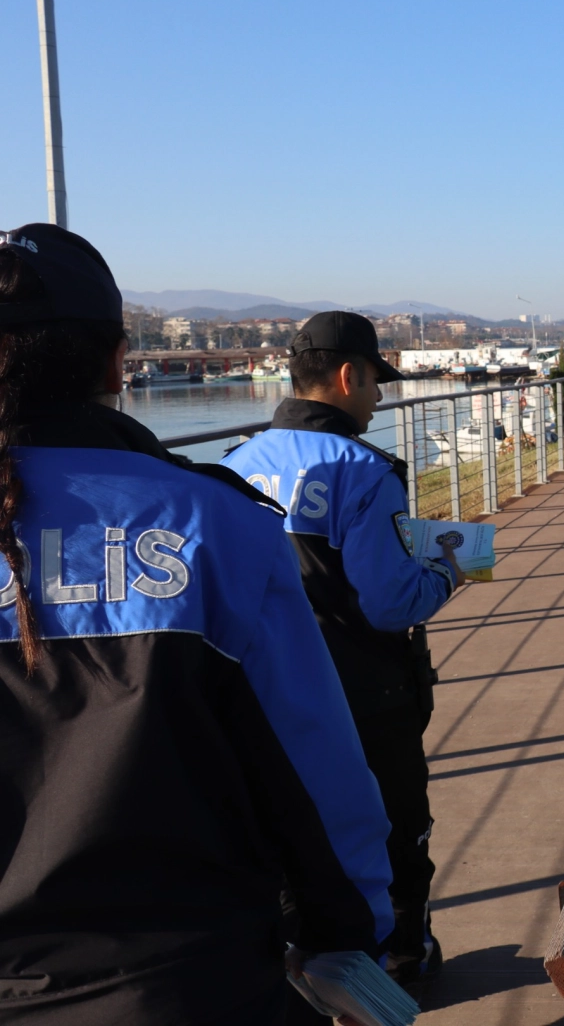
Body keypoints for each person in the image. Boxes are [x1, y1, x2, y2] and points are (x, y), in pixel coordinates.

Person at [0, 226, 393, 1024]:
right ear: (117, 363)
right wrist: (351, 937)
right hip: (192, 986)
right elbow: (318, 771)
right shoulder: (216, 525)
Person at [223, 312, 462, 989]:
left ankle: (302, 969)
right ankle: (401, 961)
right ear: (349, 376)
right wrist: (448, 571)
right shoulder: (366, 472)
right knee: (394, 827)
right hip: (365, 691)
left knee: (287, 827)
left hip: (265, 686)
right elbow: (389, 604)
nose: (380, 398)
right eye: (376, 383)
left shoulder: (234, 466)